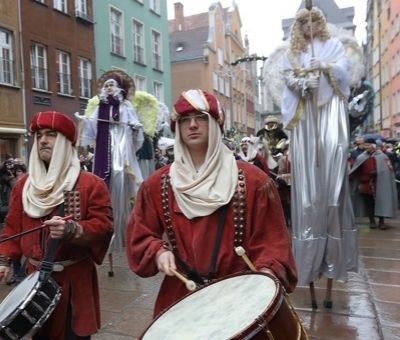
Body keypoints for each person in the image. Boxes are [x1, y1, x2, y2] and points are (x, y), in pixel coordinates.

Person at [126, 89, 297, 316]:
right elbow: (140, 234)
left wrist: (265, 276)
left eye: (201, 118)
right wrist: (157, 251)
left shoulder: (254, 180)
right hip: (182, 297)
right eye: (185, 120)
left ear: (216, 125)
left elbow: (273, 242)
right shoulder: (157, 184)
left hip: (240, 297)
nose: (192, 125)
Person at [0, 111, 114, 340]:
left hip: (74, 281)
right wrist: (4, 259)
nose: (43, 140)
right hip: (34, 281)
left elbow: (104, 227)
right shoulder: (24, 185)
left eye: (51, 135)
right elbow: (13, 224)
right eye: (39, 135)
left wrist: (74, 229)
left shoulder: (89, 184)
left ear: (65, 142)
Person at [279, 6, 358, 284]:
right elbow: (287, 78)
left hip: (329, 114)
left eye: (313, 21)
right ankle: (309, 261)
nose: (309, 26)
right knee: (309, 191)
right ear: (298, 27)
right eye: (304, 22)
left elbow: (345, 74)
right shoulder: (292, 54)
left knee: (334, 182)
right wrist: (303, 83)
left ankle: (337, 259)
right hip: (305, 119)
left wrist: (325, 68)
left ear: (320, 23)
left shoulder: (333, 45)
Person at [77, 70, 144, 252]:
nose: (108, 88)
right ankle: (107, 230)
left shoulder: (126, 107)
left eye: (111, 85)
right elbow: (91, 128)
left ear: (119, 88)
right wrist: (84, 120)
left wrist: (135, 128)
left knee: (124, 184)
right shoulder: (100, 108)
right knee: (105, 187)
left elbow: (135, 129)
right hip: (104, 153)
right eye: (105, 86)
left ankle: (126, 232)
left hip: (122, 153)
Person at [350, 139, 398, 230]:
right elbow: (356, 169)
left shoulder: (382, 156)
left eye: (368, 145)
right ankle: (372, 221)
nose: (366, 147)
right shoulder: (361, 157)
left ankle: (381, 221)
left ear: (373, 146)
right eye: (365, 145)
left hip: (380, 184)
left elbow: (388, 169)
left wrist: (378, 172)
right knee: (369, 203)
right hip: (366, 183)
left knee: (381, 202)